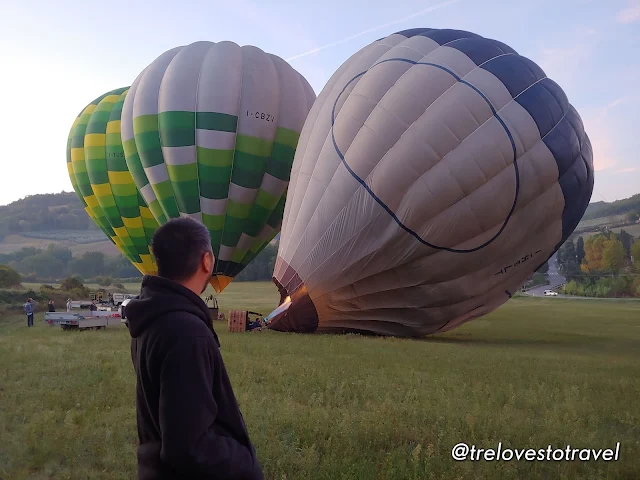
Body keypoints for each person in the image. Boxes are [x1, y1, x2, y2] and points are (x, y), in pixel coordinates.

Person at [125, 216, 263, 480]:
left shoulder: (154, 318)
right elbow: (188, 446)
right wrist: (245, 463)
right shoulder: (186, 332)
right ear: (207, 260)